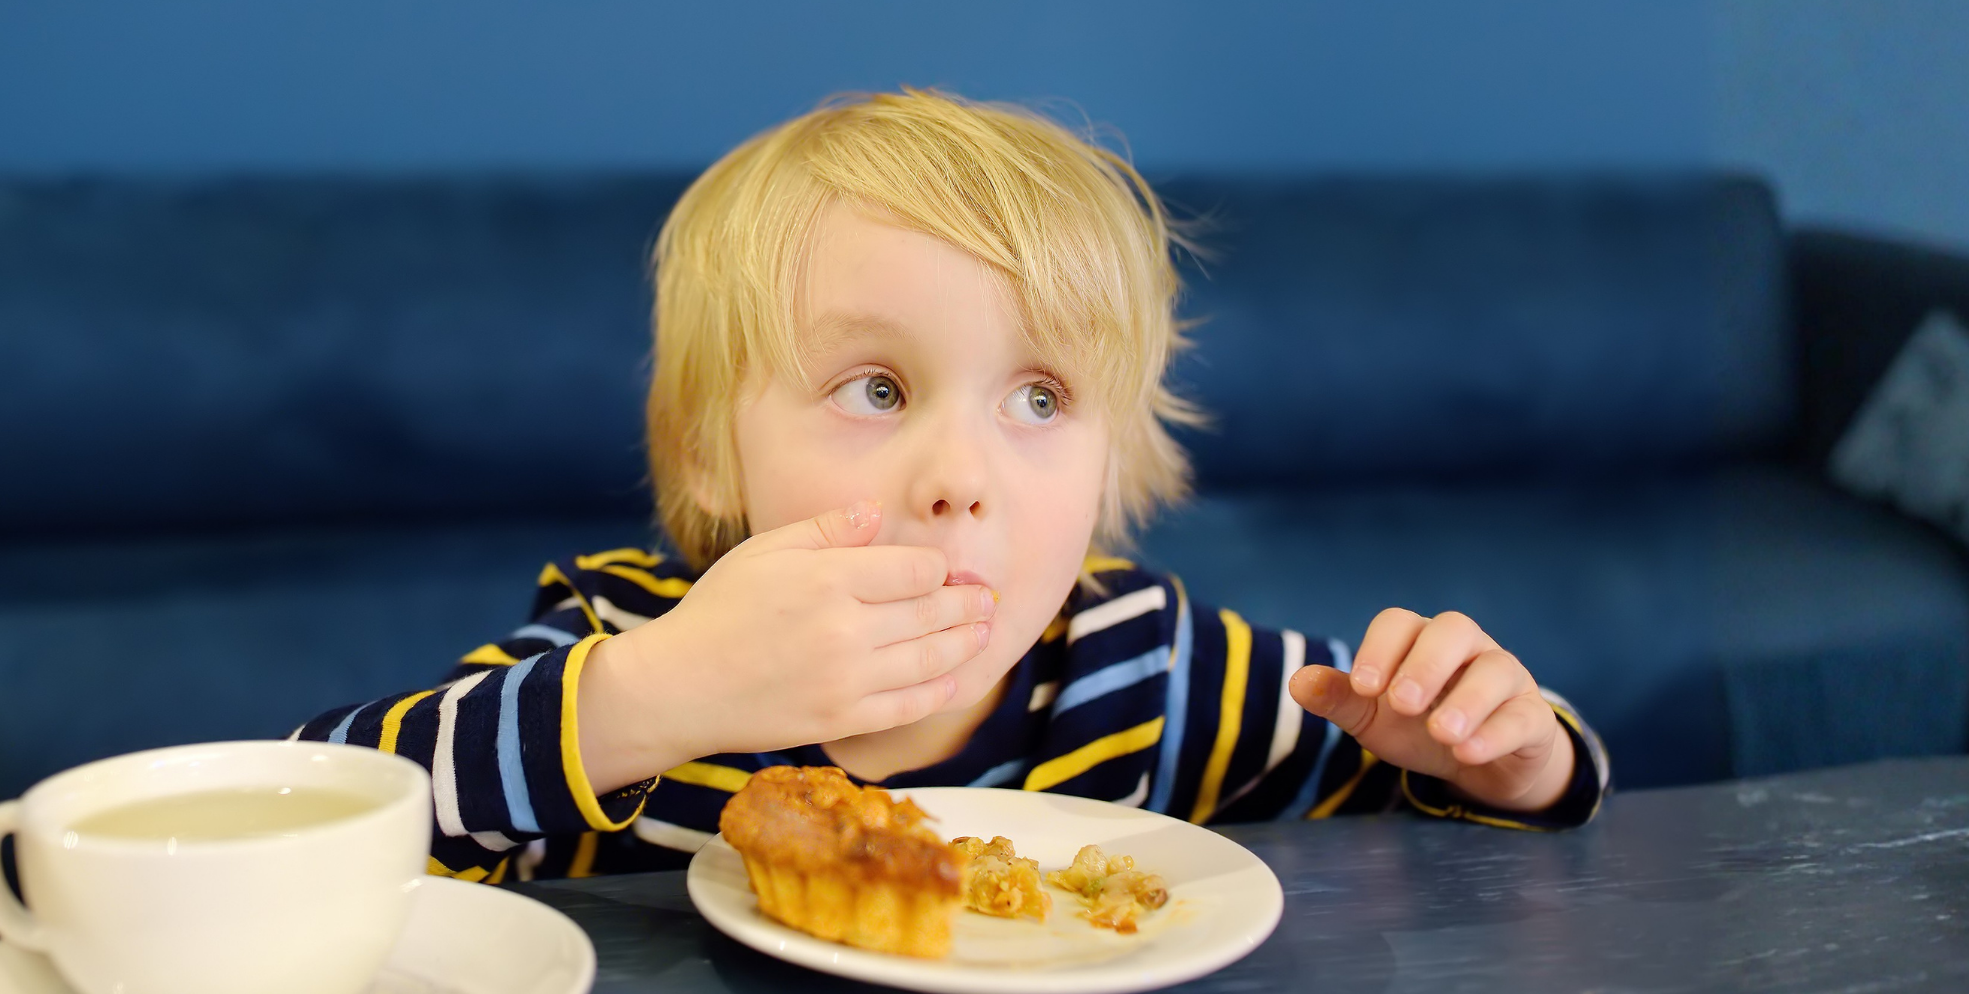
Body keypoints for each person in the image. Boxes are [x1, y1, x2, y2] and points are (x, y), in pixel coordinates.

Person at [291, 88, 1609, 881]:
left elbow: (1483, 795)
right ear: (709, 452)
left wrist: (1510, 750)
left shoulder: (1144, 669)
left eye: (1039, 401)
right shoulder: (623, 649)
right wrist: (652, 699)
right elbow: (304, 811)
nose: (961, 479)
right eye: (877, 389)